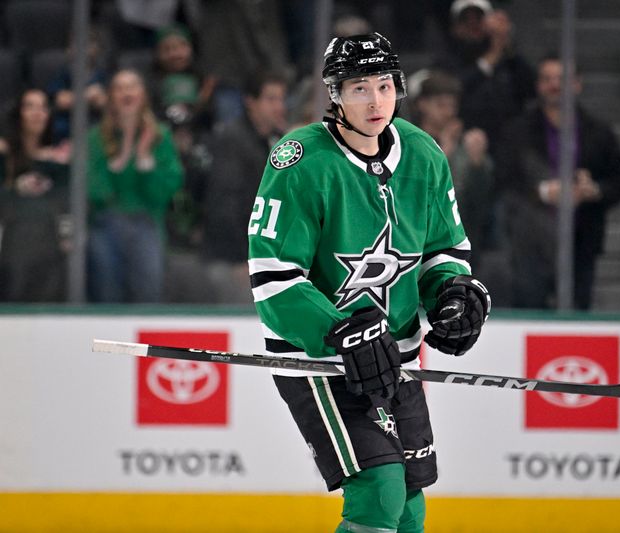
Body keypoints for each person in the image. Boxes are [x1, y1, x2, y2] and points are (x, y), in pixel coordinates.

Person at [247, 33, 490, 532]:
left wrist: (450, 294)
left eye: (384, 85)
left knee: (409, 507)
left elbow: (443, 250)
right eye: (359, 88)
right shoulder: (300, 160)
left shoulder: (423, 153)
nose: (376, 101)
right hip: (319, 359)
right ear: (335, 95)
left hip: (395, 357)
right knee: (378, 492)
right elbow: (272, 278)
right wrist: (341, 330)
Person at [497, 54, 620, 310]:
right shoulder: (518, 130)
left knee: (576, 314)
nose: (554, 85)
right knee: (529, 308)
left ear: (578, 84)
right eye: (547, 79)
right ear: (538, 85)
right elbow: (504, 179)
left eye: (562, 79)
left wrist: (595, 191)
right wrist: (543, 192)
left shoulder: (598, 132)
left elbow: (619, 181)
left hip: (581, 239)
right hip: (529, 243)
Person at [87, 69, 184, 303]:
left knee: (148, 293)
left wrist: (143, 159)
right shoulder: (95, 137)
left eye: (132, 86)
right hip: (105, 225)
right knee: (107, 292)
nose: (126, 92)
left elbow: (165, 189)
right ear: (111, 96)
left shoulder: (160, 137)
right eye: (119, 87)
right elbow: (93, 188)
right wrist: (122, 156)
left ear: (143, 95)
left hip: (146, 223)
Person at [202, 70, 287, 303]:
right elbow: (224, 204)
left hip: (264, 258)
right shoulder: (233, 140)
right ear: (251, 101)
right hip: (233, 261)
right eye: (271, 99)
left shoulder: (278, 141)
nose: (279, 106)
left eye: (281, 99)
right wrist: (243, 258)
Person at [409, 68, 494, 273]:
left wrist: (477, 164)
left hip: (459, 230)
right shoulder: (408, 140)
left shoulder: (466, 144)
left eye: (452, 106)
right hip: (414, 232)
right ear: (422, 105)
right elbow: (411, 189)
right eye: (440, 105)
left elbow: (481, 198)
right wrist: (444, 152)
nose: (447, 112)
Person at [435, 0, 537, 158]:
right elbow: (453, 87)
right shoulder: (446, 59)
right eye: (465, 20)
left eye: (478, 19)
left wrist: (505, 44)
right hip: (466, 140)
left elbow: (532, 89)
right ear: (455, 26)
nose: (472, 24)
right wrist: (490, 59)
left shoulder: (509, 58)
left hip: (509, 142)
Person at [0, 89, 71, 302]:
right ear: (18, 113)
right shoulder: (4, 155)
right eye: (30, 106)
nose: (37, 113)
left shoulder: (57, 161)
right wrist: (14, 190)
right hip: (10, 247)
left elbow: (66, 204)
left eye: (42, 107)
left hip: (49, 250)